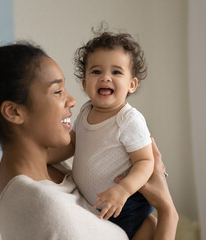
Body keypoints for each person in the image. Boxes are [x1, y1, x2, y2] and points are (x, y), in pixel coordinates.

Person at [0, 42, 178, 240]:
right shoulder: (46, 209)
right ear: (14, 112)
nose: (72, 101)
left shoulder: (45, 170)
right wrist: (168, 213)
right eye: (57, 91)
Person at [48, 30, 155, 239]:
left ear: (132, 84)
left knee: (138, 229)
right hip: (95, 204)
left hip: (125, 203)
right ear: (85, 83)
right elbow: (72, 145)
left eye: (116, 72)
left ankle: (149, 227)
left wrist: (123, 190)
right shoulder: (86, 111)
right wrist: (43, 156)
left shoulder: (128, 119)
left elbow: (145, 161)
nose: (106, 77)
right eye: (96, 72)